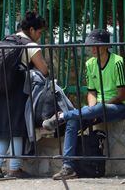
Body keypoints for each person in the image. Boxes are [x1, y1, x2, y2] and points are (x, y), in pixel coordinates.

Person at [43, 29, 125, 180]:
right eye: (90, 46)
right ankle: (68, 167)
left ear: (106, 46)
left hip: (117, 107)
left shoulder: (118, 61)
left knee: (98, 108)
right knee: (74, 120)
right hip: (98, 108)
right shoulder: (90, 63)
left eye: (95, 45)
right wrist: (92, 109)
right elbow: (91, 92)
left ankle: (62, 116)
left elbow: (121, 95)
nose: (92, 48)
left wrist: (97, 109)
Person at [0, 11, 48, 178]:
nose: (39, 36)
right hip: (18, 91)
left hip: (2, 90)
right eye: (39, 32)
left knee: (3, 129)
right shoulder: (30, 45)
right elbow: (44, 70)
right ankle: (14, 168)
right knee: (16, 128)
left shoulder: (9, 40)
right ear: (31, 29)